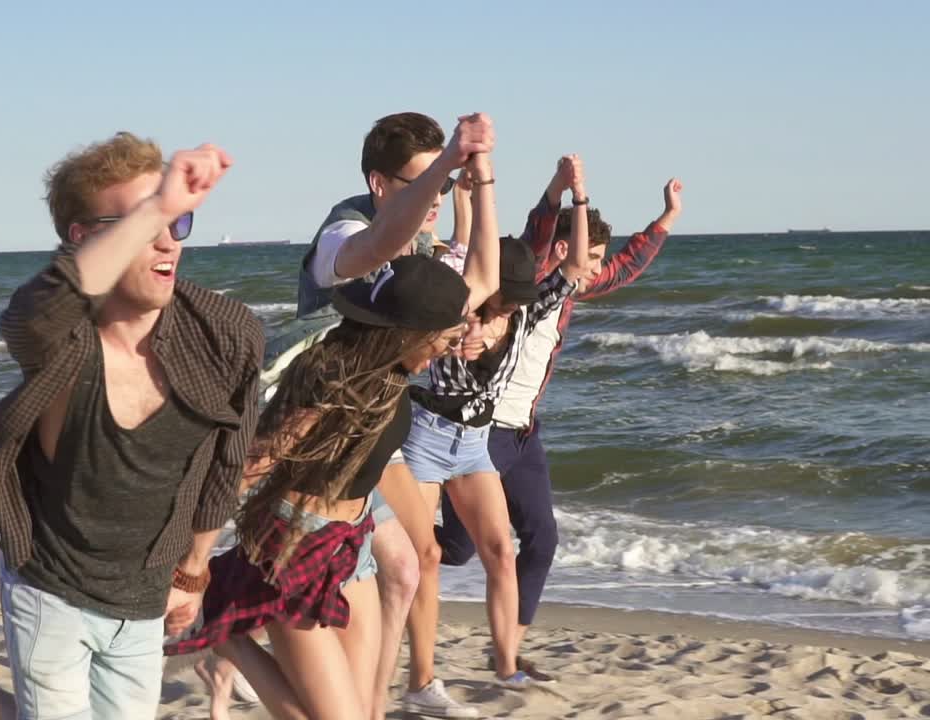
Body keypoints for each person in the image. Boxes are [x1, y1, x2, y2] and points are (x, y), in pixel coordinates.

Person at [0, 133, 264, 720]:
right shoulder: (61, 338)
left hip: (145, 593)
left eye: (178, 223)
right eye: (142, 223)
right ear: (85, 238)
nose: (166, 242)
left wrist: (191, 573)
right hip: (48, 583)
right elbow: (33, 311)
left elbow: (227, 459)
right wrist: (159, 203)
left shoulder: (224, 333)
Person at [234, 111, 493, 719]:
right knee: (394, 563)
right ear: (381, 185)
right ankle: (226, 628)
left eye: (441, 181)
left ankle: (380, 698)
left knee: (409, 562)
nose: (435, 197)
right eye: (423, 182)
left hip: (367, 433)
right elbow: (373, 248)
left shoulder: (422, 238)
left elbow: (474, 281)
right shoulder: (341, 230)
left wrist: (480, 182)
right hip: (311, 434)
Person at [170, 254, 472, 720]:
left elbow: (373, 463)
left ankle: (228, 636)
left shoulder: (390, 375)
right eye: (441, 337)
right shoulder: (334, 378)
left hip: (352, 547)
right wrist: (191, 568)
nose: (446, 348)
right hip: (294, 550)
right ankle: (228, 637)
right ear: (408, 329)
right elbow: (251, 464)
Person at [436, 175, 685, 682]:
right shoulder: (525, 280)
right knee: (458, 551)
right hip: (480, 432)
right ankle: (377, 545)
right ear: (567, 248)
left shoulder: (566, 293)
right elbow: (539, 231)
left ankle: (507, 651)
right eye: (590, 258)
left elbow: (622, 269)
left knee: (541, 541)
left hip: (523, 435)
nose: (595, 271)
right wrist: (560, 190)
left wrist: (667, 219)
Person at [397, 155, 596, 713]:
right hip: (427, 437)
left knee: (499, 552)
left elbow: (577, 266)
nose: (499, 312)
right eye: (497, 303)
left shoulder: (530, 313)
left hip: (474, 443)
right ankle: (421, 681)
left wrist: (576, 195)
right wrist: (447, 340)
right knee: (426, 560)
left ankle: (506, 665)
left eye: (507, 304)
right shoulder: (457, 309)